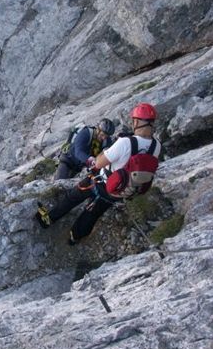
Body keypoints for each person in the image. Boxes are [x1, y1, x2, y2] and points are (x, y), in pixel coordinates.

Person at [36, 103, 161, 245]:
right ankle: (75, 237)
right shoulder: (156, 146)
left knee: (72, 197)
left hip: (100, 182)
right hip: (121, 190)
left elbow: (99, 163)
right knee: (93, 213)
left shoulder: (126, 142)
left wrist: (113, 148)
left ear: (137, 121)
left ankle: (48, 219)